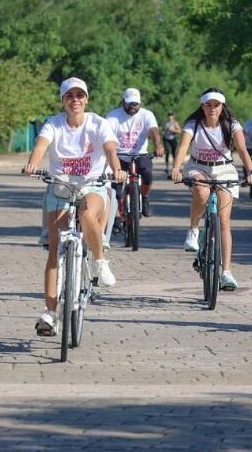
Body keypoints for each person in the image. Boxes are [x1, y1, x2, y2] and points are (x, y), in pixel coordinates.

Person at [23, 77, 126, 336]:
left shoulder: (98, 123)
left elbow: (110, 149)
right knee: (54, 251)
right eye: (70, 96)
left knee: (87, 211)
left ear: (86, 99)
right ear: (63, 101)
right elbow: (41, 146)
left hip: (93, 186)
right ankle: (49, 312)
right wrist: (32, 163)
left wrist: (116, 168)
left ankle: (101, 262)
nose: (75, 100)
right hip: (60, 188)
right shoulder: (54, 124)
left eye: (80, 95)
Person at [170, 87, 252, 292]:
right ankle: (193, 230)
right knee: (201, 191)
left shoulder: (231, 124)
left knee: (224, 221)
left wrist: (251, 170)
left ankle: (226, 272)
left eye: (216, 105)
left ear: (222, 106)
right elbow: (183, 147)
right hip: (198, 167)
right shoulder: (193, 124)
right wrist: (176, 168)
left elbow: (243, 149)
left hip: (224, 170)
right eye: (208, 104)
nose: (212, 108)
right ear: (202, 106)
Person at [106, 88, 164, 229]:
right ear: (123, 102)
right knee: (116, 189)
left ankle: (144, 198)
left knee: (148, 175)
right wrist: (109, 151)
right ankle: (117, 215)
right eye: (130, 103)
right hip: (119, 155)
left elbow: (154, 131)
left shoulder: (146, 115)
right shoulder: (113, 116)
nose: (133, 107)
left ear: (140, 103)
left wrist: (158, 145)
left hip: (140, 153)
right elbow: (107, 136)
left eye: (136, 104)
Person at [162, 111, 182, 176]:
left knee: (174, 153)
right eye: (169, 115)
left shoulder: (175, 123)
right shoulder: (166, 123)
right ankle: (167, 167)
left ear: (173, 116)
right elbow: (162, 131)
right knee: (167, 151)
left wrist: (172, 130)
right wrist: (163, 132)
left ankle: (175, 167)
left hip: (172, 138)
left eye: (171, 115)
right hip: (166, 138)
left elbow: (179, 131)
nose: (170, 117)